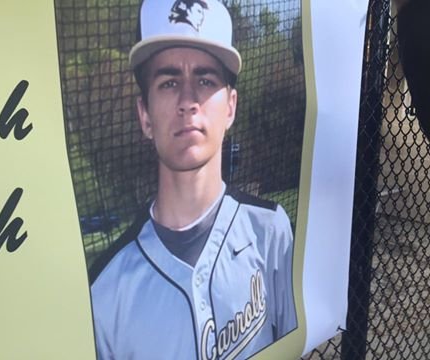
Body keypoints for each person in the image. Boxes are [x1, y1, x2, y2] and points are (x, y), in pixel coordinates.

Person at [90, 0, 297, 359]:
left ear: (230, 106)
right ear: (145, 116)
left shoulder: (270, 232)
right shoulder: (106, 288)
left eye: (205, 80)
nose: (188, 101)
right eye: (169, 82)